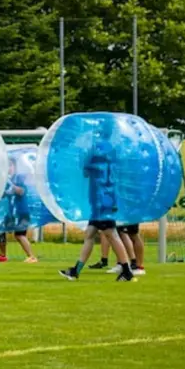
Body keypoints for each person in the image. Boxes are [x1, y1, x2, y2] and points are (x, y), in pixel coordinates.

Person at [59, 119, 134, 281]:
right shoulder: (112, 150)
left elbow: (85, 170)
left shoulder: (95, 149)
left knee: (112, 235)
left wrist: (81, 156)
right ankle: (75, 270)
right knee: (90, 234)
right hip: (106, 196)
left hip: (101, 199)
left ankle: (127, 271)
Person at [0, 156, 38, 264]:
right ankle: (2, 255)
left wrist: (13, 187)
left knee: (19, 234)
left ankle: (32, 256)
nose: (8, 168)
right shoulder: (7, 181)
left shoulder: (19, 178)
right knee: (0, 231)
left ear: (15, 167)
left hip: (21, 212)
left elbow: (21, 191)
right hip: (11, 213)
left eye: (10, 165)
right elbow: (3, 195)